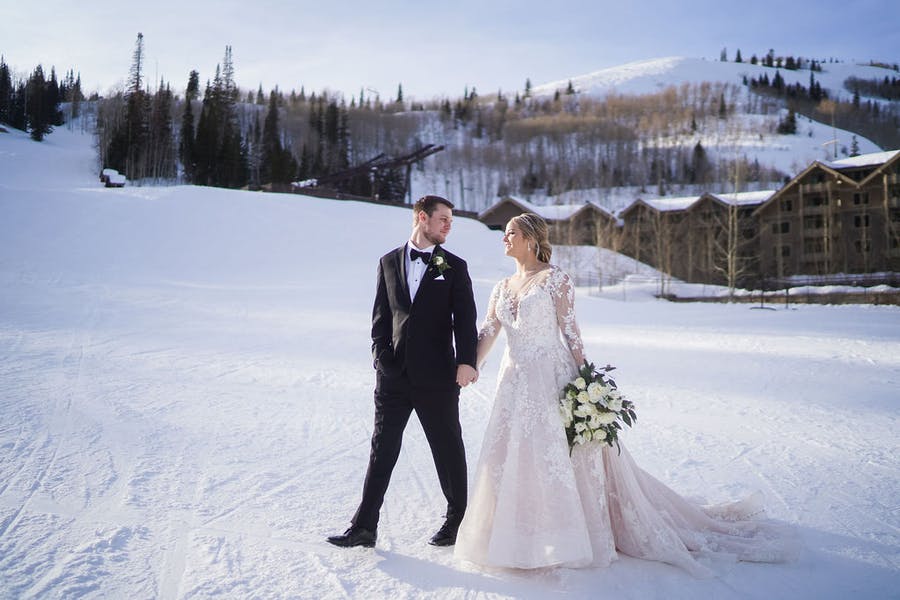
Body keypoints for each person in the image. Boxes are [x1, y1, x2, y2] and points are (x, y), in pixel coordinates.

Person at [454, 212, 790, 575]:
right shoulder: (501, 287)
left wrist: (587, 384)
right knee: (516, 455)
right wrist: (470, 365)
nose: (505, 239)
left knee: (559, 456)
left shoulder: (555, 280)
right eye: (505, 234)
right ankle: (519, 535)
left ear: (532, 239)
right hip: (514, 381)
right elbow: (489, 330)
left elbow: (571, 333)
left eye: (511, 233)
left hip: (552, 378)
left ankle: (570, 535)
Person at [328, 195, 479, 549]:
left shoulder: (454, 266)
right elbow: (381, 319)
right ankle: (364, 526)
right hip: (393, 379)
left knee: (447, 448)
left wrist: (466, 361)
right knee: (381, 451)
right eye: (443, 219)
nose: (448, 226)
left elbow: (466, 320)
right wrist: (382, 361)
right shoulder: (387, 262)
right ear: (422, 218)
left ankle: (458, 520)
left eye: (451, 222)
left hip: (438, 378)